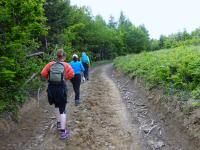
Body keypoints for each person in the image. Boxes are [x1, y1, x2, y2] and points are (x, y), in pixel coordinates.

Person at [41, 49, 74, 139]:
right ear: (64, 57)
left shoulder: (50, 64)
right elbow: (72, 75)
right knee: (62, 109)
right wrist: (65, 79)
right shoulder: (66, 65)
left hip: (51, 88)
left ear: (57, 56)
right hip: (61, 88)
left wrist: (50, 78)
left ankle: (59, 123)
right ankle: (63, 132)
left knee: (56, 105)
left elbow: (43, 73)